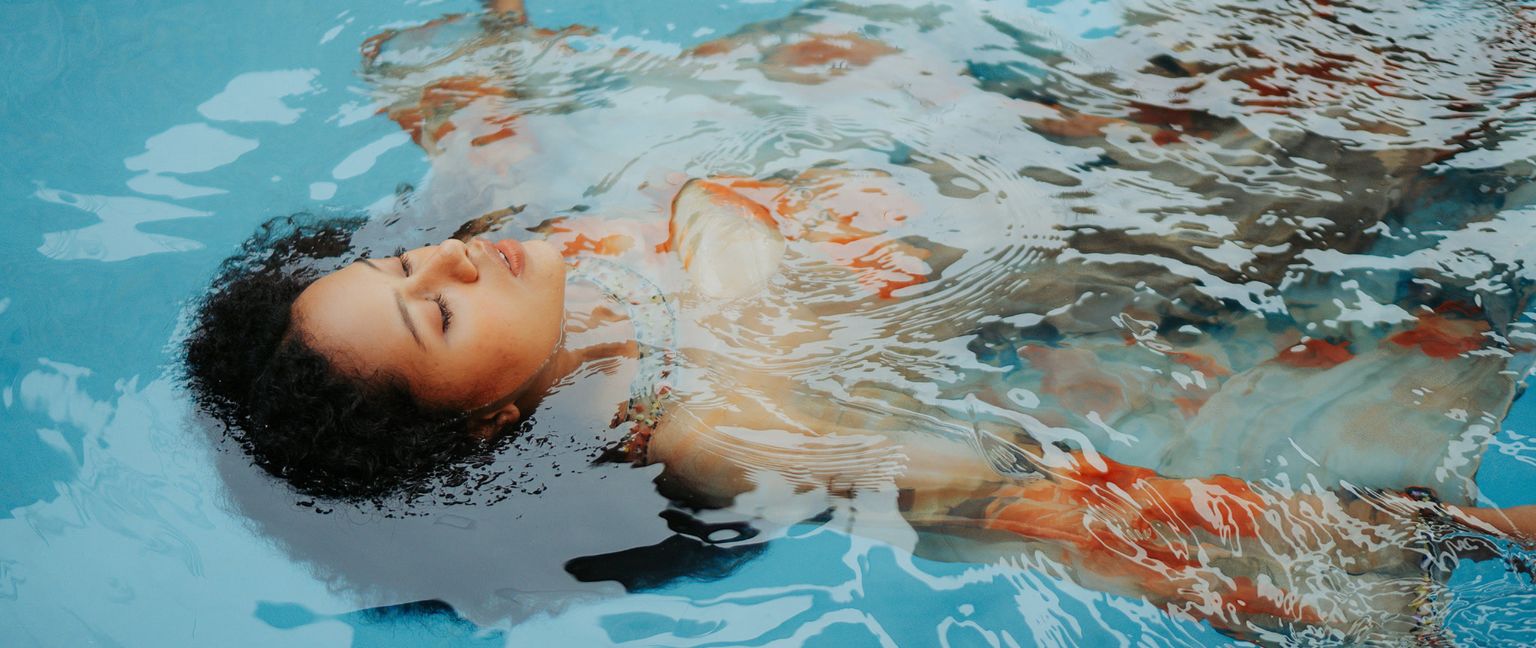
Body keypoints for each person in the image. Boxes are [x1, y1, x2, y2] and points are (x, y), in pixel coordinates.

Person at [183, 0, 1536, 642]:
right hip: (1141, 226)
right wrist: (1477, 541)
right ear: (487, 415)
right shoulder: (721, 419)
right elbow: (1041, 505)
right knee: (1454, 100)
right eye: (427, 319)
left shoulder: (500, 218)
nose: (448, 275)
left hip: (1036, 109)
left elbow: (445, 68)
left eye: (405, 268)